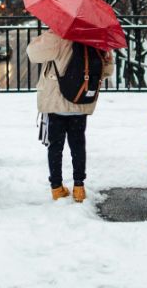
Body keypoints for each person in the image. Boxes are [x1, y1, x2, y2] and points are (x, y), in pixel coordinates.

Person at [27, 30, 114, 202]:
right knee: (78, 145)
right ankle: (79, 187)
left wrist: (46, 34)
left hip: (56, 103)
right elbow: (107, 70)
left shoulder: (59, 35)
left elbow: (33, 53)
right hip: (81, 103)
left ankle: (57, 188)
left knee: (55, 147)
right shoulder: (95, 36)